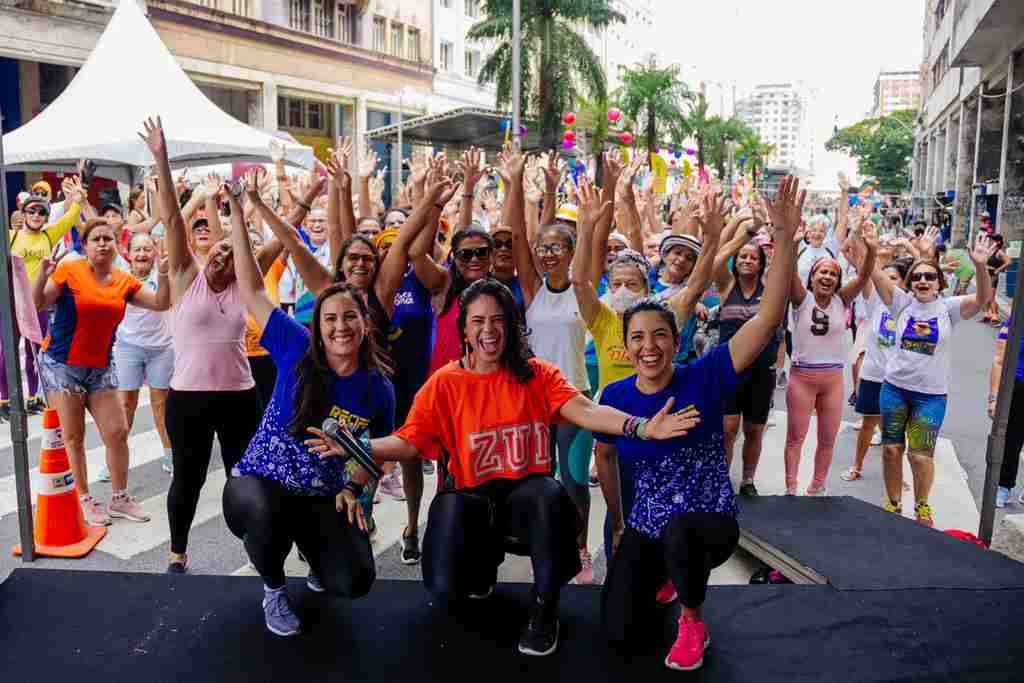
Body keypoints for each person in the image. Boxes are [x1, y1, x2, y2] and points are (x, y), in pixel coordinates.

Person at [599, 175, 803, 672]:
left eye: (661, 335)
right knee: (618, 631)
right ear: (626, 348)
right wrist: (620, 519)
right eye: (639, 338)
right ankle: (664, 576)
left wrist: (784, 241)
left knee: (681, 533)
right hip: (646, 522)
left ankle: (693, 621)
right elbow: (604, 456)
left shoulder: (706, 375)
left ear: (677, 337)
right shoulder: (617, 396)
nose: (650, 347)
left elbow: (769, 315)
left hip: (707, 521)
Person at [222, 177, 394, 637]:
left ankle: (317, 553)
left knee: (356, 580)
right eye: (330, 319)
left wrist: (355, 489)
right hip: (262, 486)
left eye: (350, 318)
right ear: (317, 328)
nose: (340, 327)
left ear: (365, 326)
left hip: (322, 496)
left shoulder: (377, 387)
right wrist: (240, 215)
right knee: (263, 516)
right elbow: (252, 290)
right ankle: (274, 589)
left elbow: (374, 455)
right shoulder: (295, 347)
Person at [140, 117, 268, 573]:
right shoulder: (183, 277)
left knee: (247, 478)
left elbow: (276, 243)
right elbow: (174, 218)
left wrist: (243, 205)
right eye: (215, 248)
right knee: (188, 480)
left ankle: (259, 551)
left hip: (238, 397)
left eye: (230, 252)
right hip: (189, 398)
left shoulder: (243, 287)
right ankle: (178, 552)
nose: (220, 254)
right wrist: (161, 156)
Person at [32, 217, 170, 526]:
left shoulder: (124, 281)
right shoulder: (70, 270)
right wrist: (42, 275)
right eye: (96, 238)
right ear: (85, 245)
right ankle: (83, 499)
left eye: (108, 238)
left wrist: (163, 270)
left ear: (117, 245)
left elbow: (162, 303)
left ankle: (119, 498)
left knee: (117, 432)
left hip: (101, 367)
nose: (103, 243)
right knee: (73, 435)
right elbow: (39, 302)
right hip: (62, 366)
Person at [869, 232, 997, 525]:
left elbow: (982, 299)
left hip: (930, 396)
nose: (923, 281)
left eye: (930, 277)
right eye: (917, 277)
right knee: (891, 449)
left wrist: (980, 265)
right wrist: (871, 248)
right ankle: (892, 503)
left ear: (940, 283)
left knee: (919, 455)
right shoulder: (900, 303)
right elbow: (874, 273)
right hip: (895, 390)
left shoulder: (948, 308)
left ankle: (922, 505)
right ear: (910, 283)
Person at [783, 218, 875, 496]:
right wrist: (793, 243)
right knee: (795, 437)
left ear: (837, 281)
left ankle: (817, 485)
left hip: (832, 380)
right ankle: (790, 487)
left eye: (832, 274)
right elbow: (787, 273)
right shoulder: (802, 299)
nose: (826, 277)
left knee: (827, 438)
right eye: (821, 272)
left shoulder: (842, 300)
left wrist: (870, 250)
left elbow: (863, 276)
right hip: (802, 378)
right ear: (811, 277)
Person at [2, 178, 85, 419]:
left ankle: (34, 397)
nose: (37, 215)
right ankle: (5, 400)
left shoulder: (49, 235)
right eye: (32, 210)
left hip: (38, 303)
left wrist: (78, 199)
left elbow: (70, 218)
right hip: (12, 303)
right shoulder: (11, 236)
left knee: (37, 352)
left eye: (42, 212)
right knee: (5, 351)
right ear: (23, 213)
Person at [712, 204, 777, 495]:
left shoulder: (769, 289)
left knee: (753, 430)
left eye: (753, 257)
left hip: (761, 370)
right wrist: (747, 232)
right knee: (727, 428)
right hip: (729, 368)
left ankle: (748, 480)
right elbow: (718, 259)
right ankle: (721, 479)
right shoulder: (727, 286)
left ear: (762, 264)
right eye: (743, 257)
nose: (747, 260)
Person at [841, 259, 909, 482]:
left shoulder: (909, 305)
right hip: (872, 375)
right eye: (885, 278)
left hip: (897, 379)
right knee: (868, 424)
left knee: (895, 430)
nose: (888, 283)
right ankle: (857, 465)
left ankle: (899, 475)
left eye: (894, 278)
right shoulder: (875, 302)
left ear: (903, 281)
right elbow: (866, 268)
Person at [113, 233, 175, 474]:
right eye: (137, 249)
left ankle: (170, 456)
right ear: (128, 253)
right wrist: (82, 203)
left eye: (147, 249)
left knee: (161, 406)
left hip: (161, 349)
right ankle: (115, 457)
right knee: (125, 405)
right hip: (128, 348)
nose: (142, 254)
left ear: (155, 253)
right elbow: (91, 226)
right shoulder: (121, 272)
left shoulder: (163, 272)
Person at [992, 318, 1024, 507]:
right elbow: (999, 360)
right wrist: (994, 397)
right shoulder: (1016, 319)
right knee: (1012, 440)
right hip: (1018, 386)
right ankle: (1004, 486)